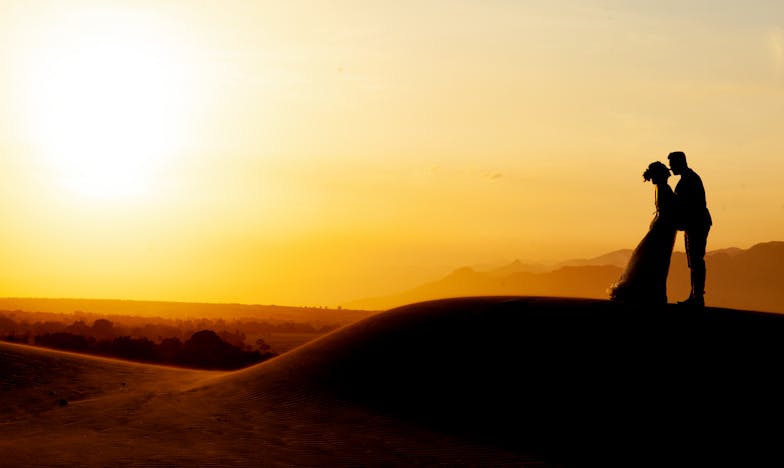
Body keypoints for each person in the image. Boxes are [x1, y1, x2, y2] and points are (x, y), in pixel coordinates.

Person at [609, 162, 678, 304]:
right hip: (664, 228)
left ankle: (650, 293)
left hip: (661, 227)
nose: (668, 173)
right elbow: (668, 209)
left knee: (652, 259)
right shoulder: (664, 188)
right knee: (658, 261)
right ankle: (653, 294)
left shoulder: (660, 187)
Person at [668, 151, 712, 307]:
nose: (670, 168)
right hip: (693, 224)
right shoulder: (688, 179)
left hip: (697, 223)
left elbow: (692, 205)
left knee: (696, 259)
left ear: (680, 163)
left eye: (672, 164)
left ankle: (698, 296)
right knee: (693, 260)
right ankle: (695, 295)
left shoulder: (691, 180)